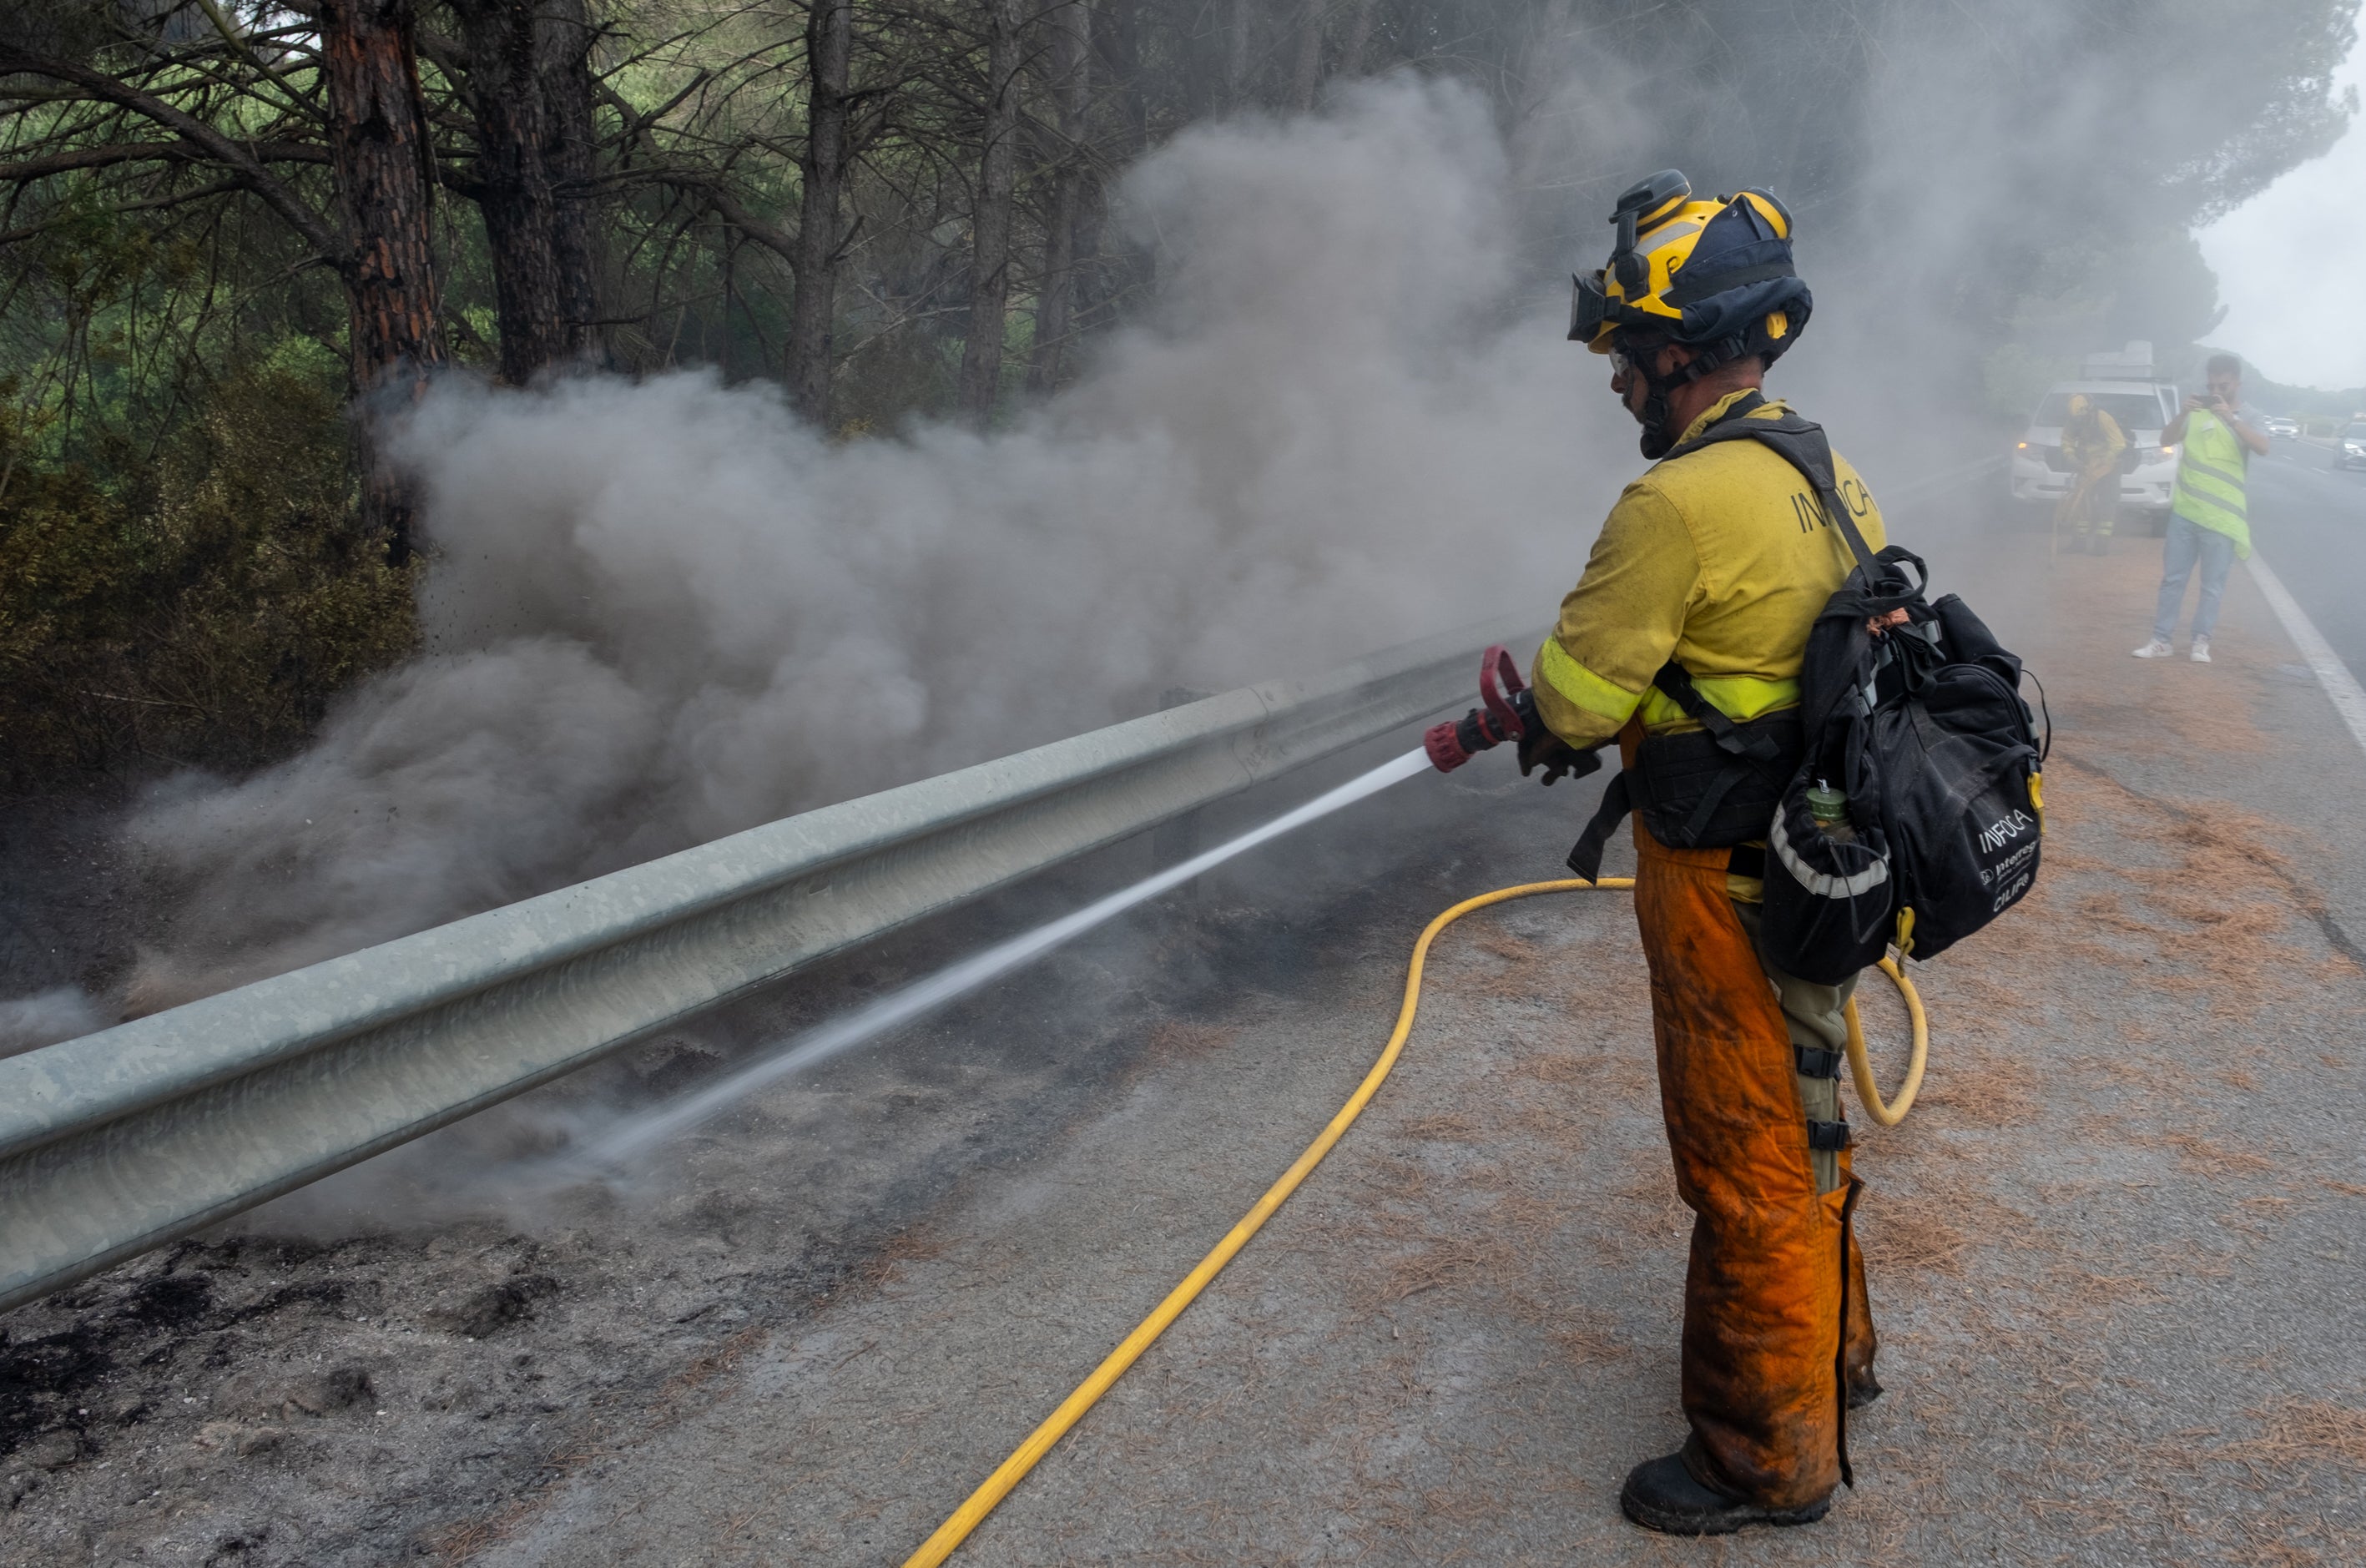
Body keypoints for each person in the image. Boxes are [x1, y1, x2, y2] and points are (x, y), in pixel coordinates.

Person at [1529, 170, 1882, 1535]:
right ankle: (1833, 1354)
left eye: (1629, 352)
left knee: (1742, 1157)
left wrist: (1543, 704)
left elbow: (1575, 700)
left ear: (1683, 349)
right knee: (1809, 1127)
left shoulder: (1672, 506)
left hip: (1725, 885)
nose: (1618, 379)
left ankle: (1763, 1453)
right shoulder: (1819, 460)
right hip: (1816, 861)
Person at [2134, 353, 2268, 663]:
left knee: (2212, 586)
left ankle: (2200, 642)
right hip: (2186, 512)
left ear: (2237, 383)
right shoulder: (2195, 411)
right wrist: (2182, 414)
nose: (2217, 390)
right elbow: (2165, 439)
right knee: (2173, 580)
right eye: (2212, 384)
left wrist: (2230, 418)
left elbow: (2262, 447)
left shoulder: (2249, 415)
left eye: (2223, 384)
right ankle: (2161, 641)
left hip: (2223, 518)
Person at [2056, 393, 2126, 555]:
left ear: (2089, 410)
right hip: (2086, 466)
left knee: (2106, 503)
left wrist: (2104, 460)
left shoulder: (2103, 418)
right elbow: (2067, 440)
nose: (2079, 423)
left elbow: (2119, 444)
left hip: (2109, 467)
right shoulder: (2073, 420)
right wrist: (2071, 458)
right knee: (2082, 502)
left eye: (2082, 419)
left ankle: (2101, 545)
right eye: (2076, 420)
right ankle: (2078, 543)